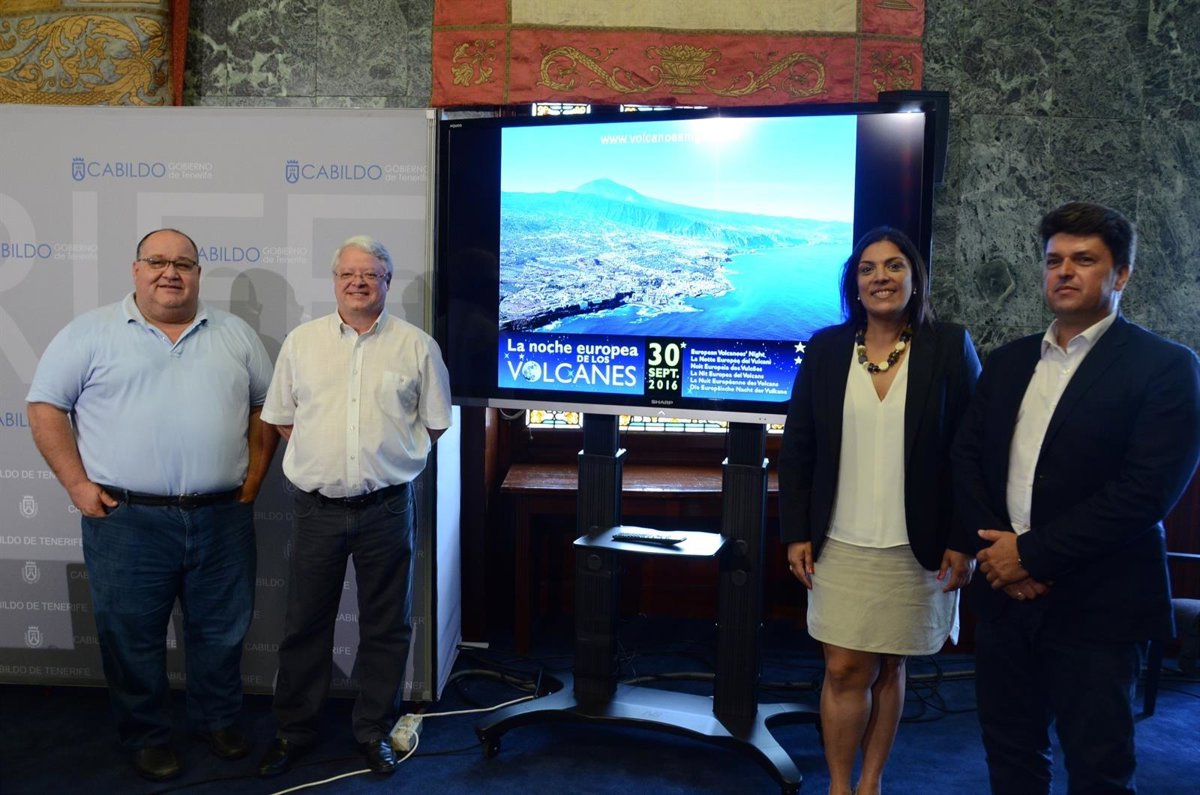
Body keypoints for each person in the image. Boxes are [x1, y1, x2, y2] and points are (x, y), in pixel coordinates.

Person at [953, 202, 1200, 794]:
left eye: (1084, 260)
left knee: (1098, 768)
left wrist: (1029, 556)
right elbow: (965, 461)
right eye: (1053, 260)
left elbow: (1144, 494)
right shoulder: (1008, 362)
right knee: (1010, 753)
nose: (1064, 272)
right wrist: (1001, 559)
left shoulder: (1167, 367)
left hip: (1099, 603)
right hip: (1005, 598)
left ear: (1121, 275)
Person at [26, 229, 275, 782]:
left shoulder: (235, 335)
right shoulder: (89, 333)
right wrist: (75, 484)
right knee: (130, 636)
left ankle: (218, 720)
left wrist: (255, 479)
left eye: (183, 263)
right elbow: (44, 407)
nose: (171, 273)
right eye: (158, 261)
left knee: (222, 631)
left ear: (198, 274)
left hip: (221, 516)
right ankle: (147, 735)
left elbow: (266, 407)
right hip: (127, 520)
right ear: (136, 270)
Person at [779, 227, 980, 795]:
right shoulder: (825, 349)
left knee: (890, 665)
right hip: (839, 541)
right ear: (854, 284)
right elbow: (798, 447)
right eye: (868, 269)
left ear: (915, 279)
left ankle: (870, 783)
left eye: (894, 266)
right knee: (843, 668)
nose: (881, 278)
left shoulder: (949, 346)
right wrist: (795, 531)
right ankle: (839, 787)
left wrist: (964, 539)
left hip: (916, 545)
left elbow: (974, 451)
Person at [256, 235, 452, 777]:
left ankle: (373, 731)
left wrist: (384, 459)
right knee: (304, 625)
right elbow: (282, 418)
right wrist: (328, 460)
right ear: (335, 281)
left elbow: (436, 423)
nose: (358, 282)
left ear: (387, 282)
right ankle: (295, 731)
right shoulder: (302, 343)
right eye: (348, 274)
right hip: (316, 510)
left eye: (370, 274)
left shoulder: (417, 346)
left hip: (386, 508)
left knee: (386, 627)